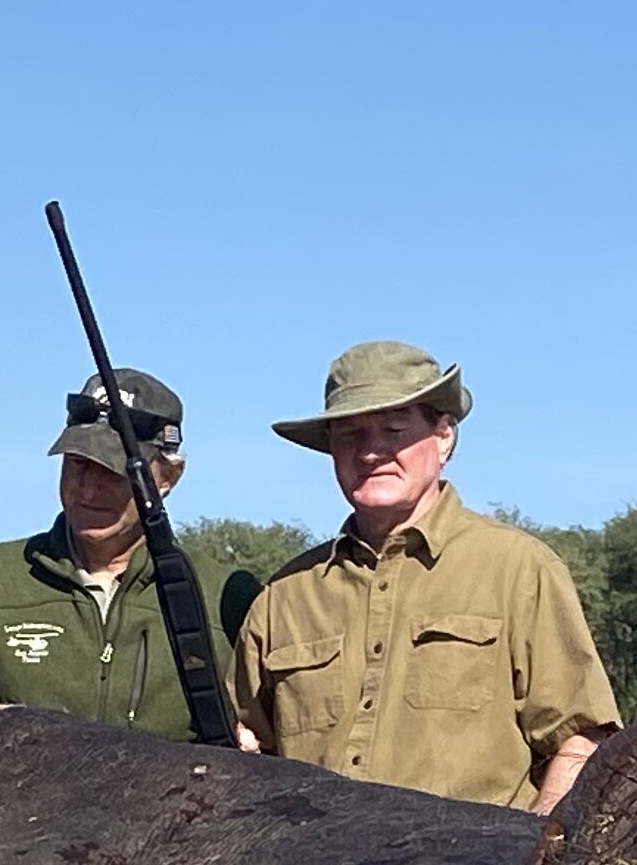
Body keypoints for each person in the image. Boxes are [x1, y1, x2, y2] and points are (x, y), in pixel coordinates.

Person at [230, 342, 617, 811]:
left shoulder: (519, 570)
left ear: (444, 437)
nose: (372, 452)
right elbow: (248, 754)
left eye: (394, 430)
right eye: (350, 435)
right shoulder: (282, 599)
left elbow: (581, 740)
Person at [0, 370, 237, 740]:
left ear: (168, 478)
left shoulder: (226, 598)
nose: (88, 488)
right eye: (79, 464)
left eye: (112, 471)